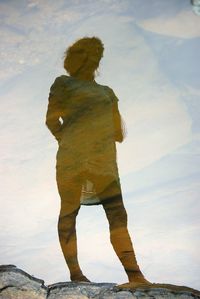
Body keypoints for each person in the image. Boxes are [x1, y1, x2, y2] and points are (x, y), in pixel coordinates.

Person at [45, 36, 151, 286]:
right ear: (74, 60)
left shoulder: (107, 92)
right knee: (69, 210)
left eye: (94, 55)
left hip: (104, 163)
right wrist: (70, 141)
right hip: (73, 161)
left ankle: (135, 275)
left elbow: (119, 134)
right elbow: (51, 120)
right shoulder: (63, 84)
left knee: (117, 214)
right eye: (86, 54)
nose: (91, 59)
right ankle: (76, 275)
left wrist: (97, 129)